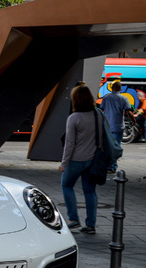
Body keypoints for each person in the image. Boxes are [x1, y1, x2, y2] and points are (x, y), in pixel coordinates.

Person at [58, 84, 101, 234]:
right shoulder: (98, 115)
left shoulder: (74, 118)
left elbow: (70, 143)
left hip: (76, 160)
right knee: (90, 191)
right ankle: (91, 225)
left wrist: (64, 163)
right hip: (93, 159)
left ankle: (73, 218)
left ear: (75, 100)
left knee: (67, 185)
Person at [99, 81, 135, 172]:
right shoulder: (124, 98)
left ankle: (108, 165)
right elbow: (129, 112)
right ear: (120, 88)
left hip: (107, 126)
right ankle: (112, 166)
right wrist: (134, 121)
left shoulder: (106, 98)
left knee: (107, 146)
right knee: (116, 146)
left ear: (112, 88)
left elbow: (101, 110)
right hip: (118, 126)